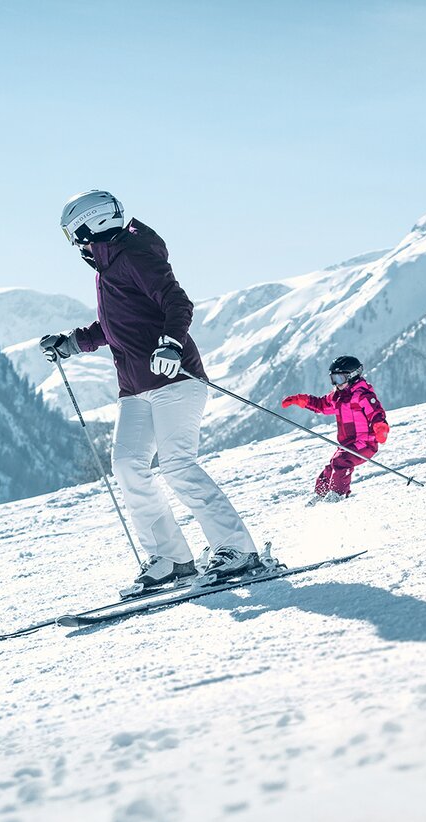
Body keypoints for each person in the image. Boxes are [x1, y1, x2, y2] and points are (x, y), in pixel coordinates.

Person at [41, 190, 263, 596]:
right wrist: (70, 343)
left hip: (175, 378)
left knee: (177, 464)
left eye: (76, 234)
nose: (77, 244)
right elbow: (113, 327)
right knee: (128, 465)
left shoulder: (135, 255)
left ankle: (237, 549)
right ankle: (172, 558)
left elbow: (177, 302)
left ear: (92, 225)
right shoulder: (106, 270)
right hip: (134, 387)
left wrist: (171, 343)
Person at [281, 355, 390, 504]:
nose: (336, 384)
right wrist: (301, 399)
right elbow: (321, 405)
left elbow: (376, 413)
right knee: (331, 468)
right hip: (347, 445)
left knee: (341, 462)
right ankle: (321, 496)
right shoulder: (337, 397)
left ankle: (337, 496)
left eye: (340, 379)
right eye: (333, 379)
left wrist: (380, 428)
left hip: (365, 443)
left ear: (352, 376)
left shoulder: (363, 395)